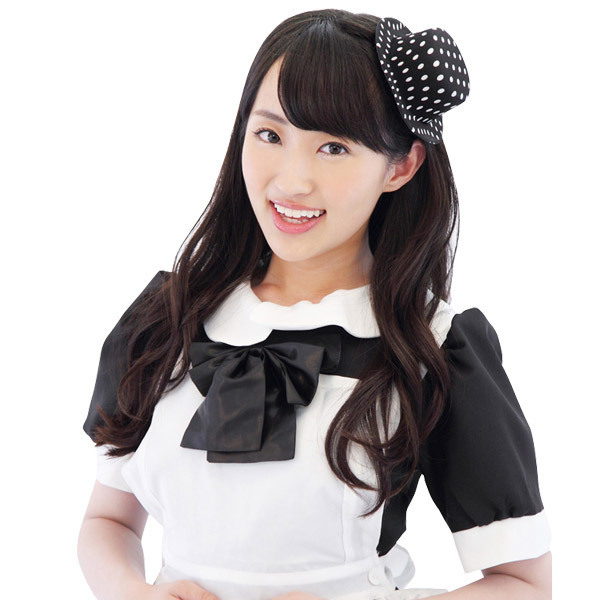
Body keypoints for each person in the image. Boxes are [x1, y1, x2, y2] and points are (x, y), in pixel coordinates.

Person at [77, 9, 552, 600]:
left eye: (333, 147)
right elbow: (109, 521)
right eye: (270, 135)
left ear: (401, 166)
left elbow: (523, 583)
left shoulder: (434, 346)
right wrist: (135, 592)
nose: (292, 181)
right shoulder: (167, 318)